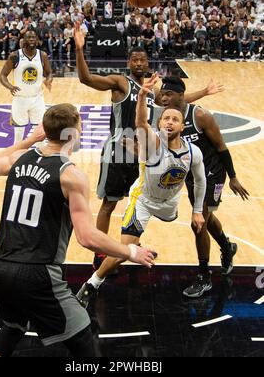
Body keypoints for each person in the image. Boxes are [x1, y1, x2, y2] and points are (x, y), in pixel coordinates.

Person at [0, 104, 155, 357]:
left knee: (12, 329)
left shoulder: (19, 159)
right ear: (74, 134)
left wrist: (30, 140)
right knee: (82, 336)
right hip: (37, 273)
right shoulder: (70, 175)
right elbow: (86, 237)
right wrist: (129, 251)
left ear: (46, 130)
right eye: (80, 126)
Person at [74, 21, 224, 270]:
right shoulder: (120, 83)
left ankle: (132, 247)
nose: (140, 63)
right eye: (135, 60)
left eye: (143, 60)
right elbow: (86, 78)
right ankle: (100, 254)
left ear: (148, 63)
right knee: (109, 204)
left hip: (144, 155)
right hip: (118, 152)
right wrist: (79, 49)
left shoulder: (153, 92)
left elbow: (178, 100)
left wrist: (203, 92)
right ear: (129, 63)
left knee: (140, 201)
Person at [76, 75, 207, 308]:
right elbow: (140, 124)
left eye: (174, 119)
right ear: (159, 124)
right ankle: (91, 285)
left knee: (197, 223)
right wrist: (143, 97)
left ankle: (206, 267)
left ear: (182, 126)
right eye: (165, 118)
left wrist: (197, 211)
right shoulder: (152, 144)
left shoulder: (193, 151)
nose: (169, 122)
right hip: (144, 201)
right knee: (124, 249)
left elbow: (200, 180)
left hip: (169, 204)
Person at [157, 77, 249, 298]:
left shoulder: (199, 116)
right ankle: (227, 247)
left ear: (180, 95)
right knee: (206, 220)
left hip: (212, 173)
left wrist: (233, 177)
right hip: (192, 174)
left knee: (197, 223)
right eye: (163, 94)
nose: (164, 98)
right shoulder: (168, 116)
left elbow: (220, 146)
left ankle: (204, 277)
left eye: (168, 94)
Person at [0, 30, 52, 144]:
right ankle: (16, 157)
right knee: (18, 136)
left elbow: (49, 73)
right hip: (20, 98)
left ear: (37, 40)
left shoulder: (42, 55)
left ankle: (40, 158)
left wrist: (49, 80)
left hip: (37, 98)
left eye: (34, 37)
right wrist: (10, 87)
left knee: (41, 134)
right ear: (23, 40)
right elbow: (2, 76)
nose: (32, 39)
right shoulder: (14, 56)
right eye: (29, 37)